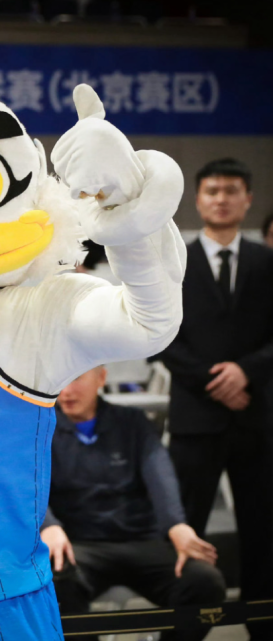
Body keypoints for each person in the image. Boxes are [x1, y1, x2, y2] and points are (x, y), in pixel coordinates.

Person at [157, 157, 273, 640]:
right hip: (195, 417)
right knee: (187, 530)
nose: (221, 199)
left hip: (257, 416)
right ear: (198, 199)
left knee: (264, 534)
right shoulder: (173, 261)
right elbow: (160, 334)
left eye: (231, 190)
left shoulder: (267, 262)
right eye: (212, 191)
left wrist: (246, 372)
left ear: (248, 199)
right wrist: (215, 380)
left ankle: (263, 628)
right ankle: (180, 631)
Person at [43, 366, 225, 641]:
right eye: (61, 381)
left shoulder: (132, 422)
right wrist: (48, 525)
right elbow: (27, 484)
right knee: (50, 579)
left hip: (141, 540)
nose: (67, 391)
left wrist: (176, 525)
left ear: (101, 378)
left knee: (204, 581)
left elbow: (160, 475)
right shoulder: (42, 428)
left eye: (76, 379)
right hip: (79, 545)